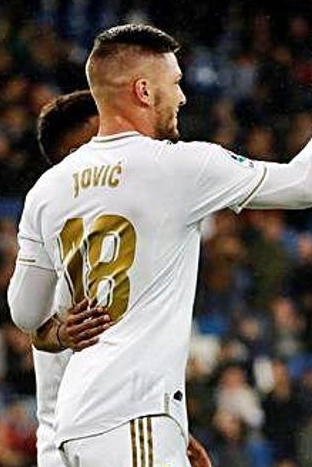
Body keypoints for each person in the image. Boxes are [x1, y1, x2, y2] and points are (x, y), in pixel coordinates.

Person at [7, 23, 312, 466]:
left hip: (74, 427)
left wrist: (57, 331)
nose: (183, 97)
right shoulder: (179, 167)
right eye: (176, 83)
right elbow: (308, 183)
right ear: (144, 91)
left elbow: (24, 313)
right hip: (135, 414)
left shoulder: (46, 190)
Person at [30, 90, 213, 467]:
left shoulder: (86, 243)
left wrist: (169, 430)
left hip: (88, 440)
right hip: (83, 438)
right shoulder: (63, 254)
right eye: (104, 134)